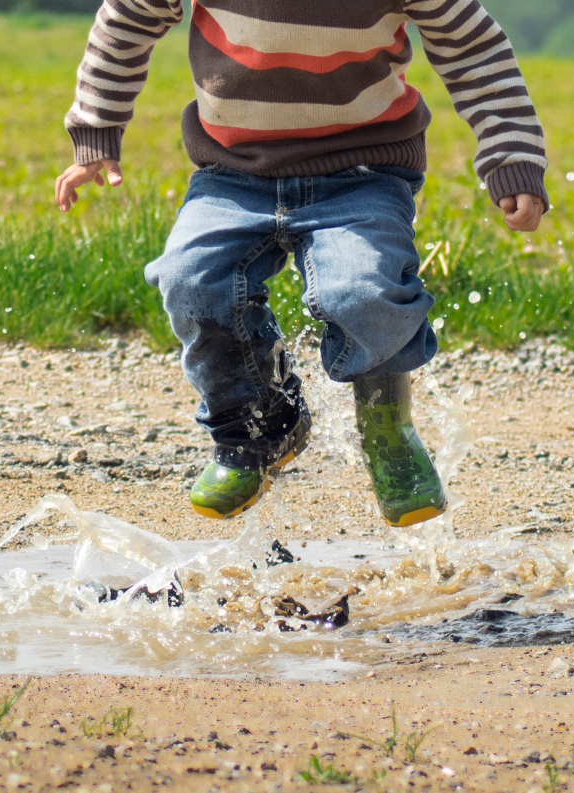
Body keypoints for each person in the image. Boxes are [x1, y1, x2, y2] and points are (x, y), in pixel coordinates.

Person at [53, 0, 548, 526]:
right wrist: (96, 126)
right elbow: (128, 18)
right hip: (232, 172)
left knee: (362, 291)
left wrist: (511, 158)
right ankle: (256, 426)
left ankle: (387, 429)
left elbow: (473, 48)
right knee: (192, 281)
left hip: (363, 171)